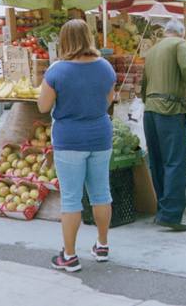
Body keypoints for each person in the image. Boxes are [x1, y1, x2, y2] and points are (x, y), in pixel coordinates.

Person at [38, 19, 116, 273]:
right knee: (101, 193)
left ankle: (69, 256)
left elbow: (43, 106)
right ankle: (102, 246)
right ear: (88, 37)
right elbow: (108, 100)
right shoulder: (105, 67)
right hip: (100, 136)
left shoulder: (57, 71)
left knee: (71, 199)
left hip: (70, 139)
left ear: (64, 41)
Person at [141, 19, 186, 232]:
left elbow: (144, 85)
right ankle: (171, 215)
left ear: (166, 32)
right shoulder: (181, 45)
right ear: (181, 33)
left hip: (150, 112)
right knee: (177, 162)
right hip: (170, 111)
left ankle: (162, 211)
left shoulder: (151, 51)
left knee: (157, 163)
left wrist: (149, 101)